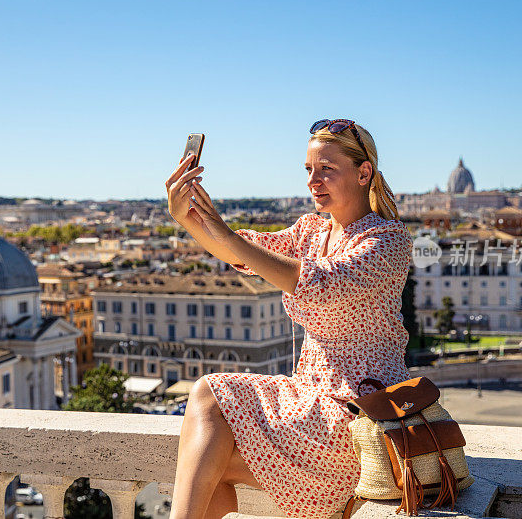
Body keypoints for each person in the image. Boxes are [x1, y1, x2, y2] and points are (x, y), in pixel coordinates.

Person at [164, 119, 413, 519]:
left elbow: (316, 282)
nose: (314, 181)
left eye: (327, 169)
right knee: (208, 426)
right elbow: (244, 254)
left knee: (207, 442)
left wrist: (221, 230)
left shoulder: (387, 239)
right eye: (309, 170)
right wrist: (187, 218)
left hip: (358, 418)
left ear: (364, 172)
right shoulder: (310, 230)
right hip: (308, 401)